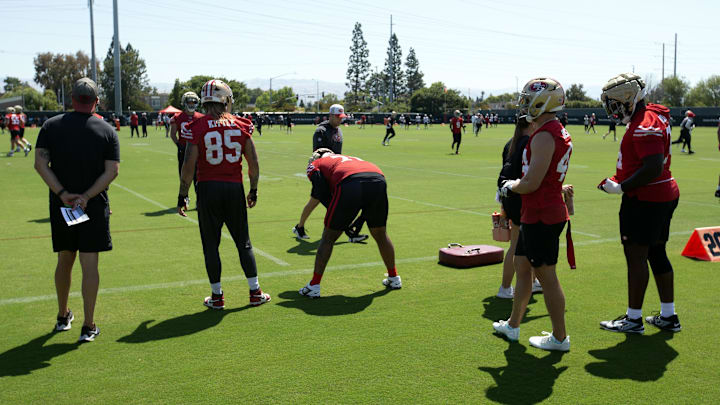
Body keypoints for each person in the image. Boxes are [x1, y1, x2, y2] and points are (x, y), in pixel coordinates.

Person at [33, 77, 120, 343]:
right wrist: (87, 197)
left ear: (71, 99)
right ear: (96, 102)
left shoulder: (51, 126)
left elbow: (40, 164)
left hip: (63, 205)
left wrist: (63, 194)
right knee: (89, 263)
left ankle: (62, 316)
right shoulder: (106, 129)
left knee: (65, 259)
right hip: (92, 206)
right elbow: (112, 171)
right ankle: (88, 324)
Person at [597, 73, 681, 334]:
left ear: (629, 99)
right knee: (657, 253)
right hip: (661, 193)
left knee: (636, 256)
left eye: (615, 103)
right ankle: (669, 316)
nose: (613, 109)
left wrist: (621, 186)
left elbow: (653, 166)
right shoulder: (652, 114)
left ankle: (633, 320)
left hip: (645, 198)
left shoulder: (644, 123)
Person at [493, 77, 572, 352]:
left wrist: (509, 185)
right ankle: (513, 325)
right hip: (536, 211)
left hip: (541, 213)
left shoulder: (546, 134)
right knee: (522, 266)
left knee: (546, 276)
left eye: (529, 99)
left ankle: (560, 338)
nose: (524, 104)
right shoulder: (552, 129)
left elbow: (531, 182)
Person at [177, 79, 270, 309]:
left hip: (208, 189)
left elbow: (188, 166)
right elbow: (254, 163)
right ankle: (254, 291)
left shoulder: (196, 126)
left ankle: (217, 296)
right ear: (225, 100)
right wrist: (254, 189)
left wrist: (183, 195)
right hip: (233, 189)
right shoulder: (241, 123)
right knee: (243, 242)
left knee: (211, 245)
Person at [298, 149, 401, 298]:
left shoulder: (316, 163)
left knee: (328, 237)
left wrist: (341, 219)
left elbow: (320, 191)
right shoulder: (347, 158)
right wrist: (357, 218)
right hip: (378, 178)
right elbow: (365, 187)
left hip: (350, 182)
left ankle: (314, 285)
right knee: (380, 233)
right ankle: (394, 277)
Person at [292, 104, 368, 243]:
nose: (340, 120)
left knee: (314, 201)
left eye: (342, 117)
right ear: (331, 116)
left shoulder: (338, 131)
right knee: (335, 205)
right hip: (321, 173)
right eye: (338, 117)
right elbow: (319, 155)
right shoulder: (321, 131)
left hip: (334, 171)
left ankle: (299, 227)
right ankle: (350, 233)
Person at [496, 115, 542, 299]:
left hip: (510, 198)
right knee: (519, 246)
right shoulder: (530, 144)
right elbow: (531, 177)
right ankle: (505, 288)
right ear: (532, 123)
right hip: (522, 198)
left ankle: (531, 282)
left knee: (524, 245)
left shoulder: (511, 143)